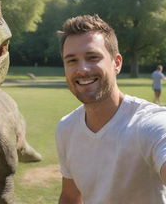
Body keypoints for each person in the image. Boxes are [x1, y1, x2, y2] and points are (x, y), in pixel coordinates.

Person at [56, 14, 166, 204]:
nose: (82, 69)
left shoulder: (148, 124)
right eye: (71, 60)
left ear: (116, 63)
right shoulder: (66, 128)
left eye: (93, 57)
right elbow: (70, 196)